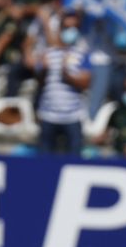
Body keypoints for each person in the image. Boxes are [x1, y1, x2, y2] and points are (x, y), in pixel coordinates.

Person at [35, 9, 92, 155]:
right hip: (49, 115)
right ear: (61, 29)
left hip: (72, 116)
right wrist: (43, 70)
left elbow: (86, 82)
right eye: (67, 28)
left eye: (73, 28)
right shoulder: (48, 54)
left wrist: (67, 75)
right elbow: (40, 81)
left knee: (74, 159)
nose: (70, 32)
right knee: (44, 159)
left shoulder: (81, 55)